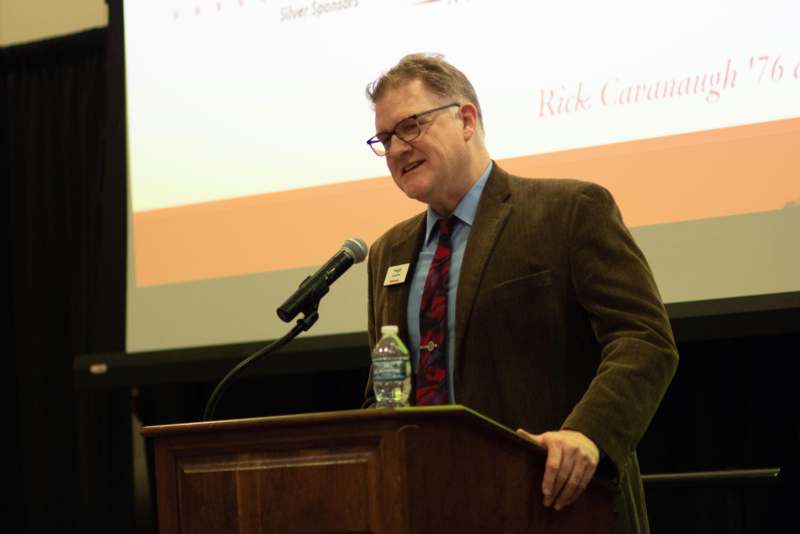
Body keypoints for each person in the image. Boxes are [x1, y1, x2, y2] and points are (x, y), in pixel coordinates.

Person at [363, 53, 678, 534]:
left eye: (410, 126)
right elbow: (386, 389)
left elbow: (644, 339)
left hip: (554, 504)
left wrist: (587, 433)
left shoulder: (568, 211)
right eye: (385, 139)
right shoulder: (389, 251)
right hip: (429, 508)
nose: (398, 149)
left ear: (466, 119)